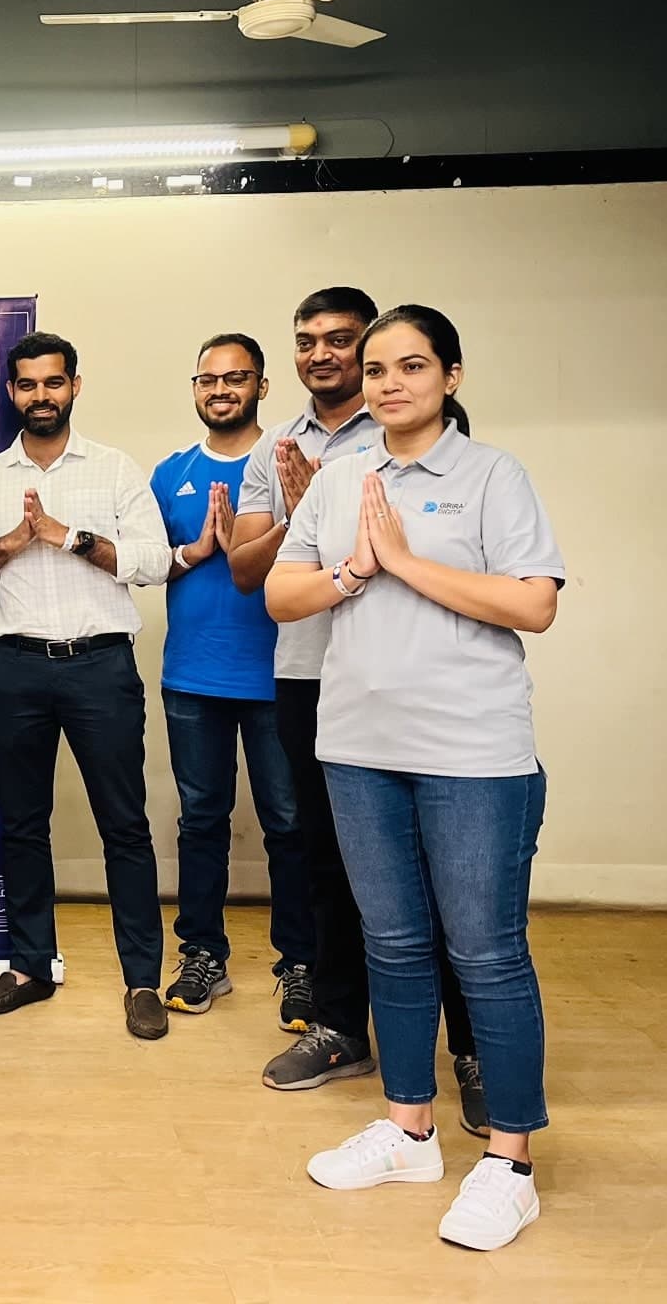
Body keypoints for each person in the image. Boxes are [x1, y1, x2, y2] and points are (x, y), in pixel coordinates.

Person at [267, 305, 562, 1251]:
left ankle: (510, 1164)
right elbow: (281, 592)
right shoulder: (341, 477)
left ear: (452, 376)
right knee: (392, 947)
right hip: (358, 748)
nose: (390, 383)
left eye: (413, 366)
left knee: (486, 953)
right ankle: (409, 1132)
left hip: (473, 755)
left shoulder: (492, 475)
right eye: (377, 368)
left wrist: (401, 560)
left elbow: (533, 604)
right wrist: (354, 572)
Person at [228, 288, 487, 1136]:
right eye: (308, 341)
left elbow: (456, 567)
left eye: (344, 342)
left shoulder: (424, 433)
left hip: (419, 679)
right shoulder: (277, 448)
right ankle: (342, 1027)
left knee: (444, 874)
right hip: (313, 676)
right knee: (330, 862)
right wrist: (304, 510)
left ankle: (473, 1051)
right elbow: (250, 573)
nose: (324, 355)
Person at [0, 332, 173, 1040]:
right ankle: (30, 966)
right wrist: (14, 540)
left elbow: (154, 561)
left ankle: (141, 981)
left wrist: (71, 537)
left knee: (124, 826)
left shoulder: (114, 468)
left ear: (74, 385)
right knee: (22, 824)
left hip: (101, 666)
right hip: (18, 667)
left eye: (52, 382)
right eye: (27, 384)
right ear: (11, 392)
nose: (40, 395)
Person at [150, 334, 314, 1024]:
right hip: (193, 674)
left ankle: (302, 962)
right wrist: (195, 552)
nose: (220, 390)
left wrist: (273, 530)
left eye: (236, 378)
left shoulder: (289, 462)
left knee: (290, 824)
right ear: (195, 389)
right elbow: (146, 564)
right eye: (208, 379)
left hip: (280, 673)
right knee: (201, 821)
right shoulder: (171, 473)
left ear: (262, 387)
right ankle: (202, 955)